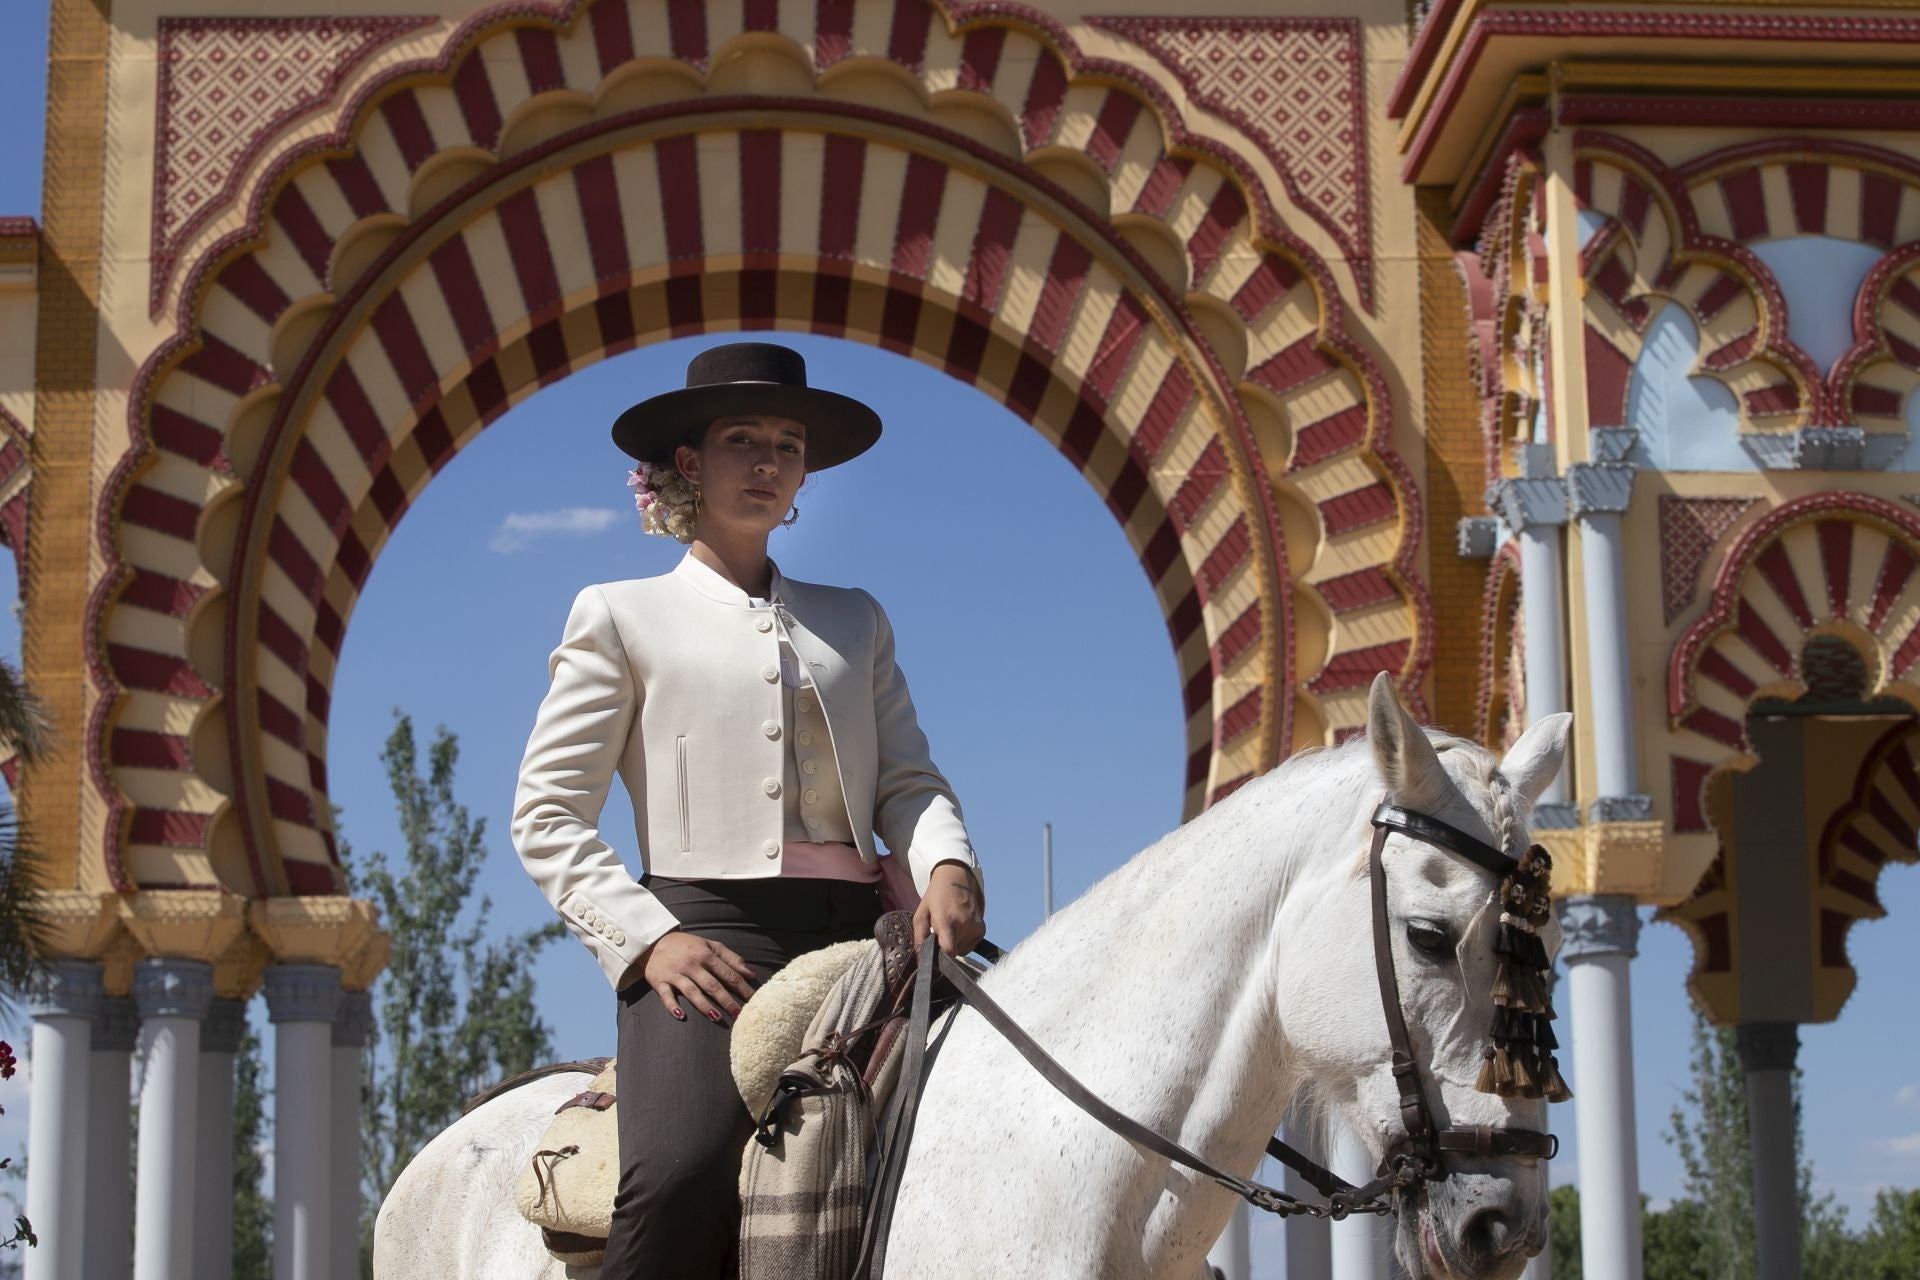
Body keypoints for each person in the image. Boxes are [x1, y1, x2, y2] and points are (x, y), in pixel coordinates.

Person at [510, 341, 988, 1277]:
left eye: (788, 446)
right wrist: (650, 942)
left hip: (866, 931)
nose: (769, 462)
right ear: (690, 463)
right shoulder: (619, 614)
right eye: (743, 441)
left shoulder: (855, 619)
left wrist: (947, 864)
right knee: (681, 1172)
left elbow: (908, 780)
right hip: (705, 940)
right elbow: (547, 814)